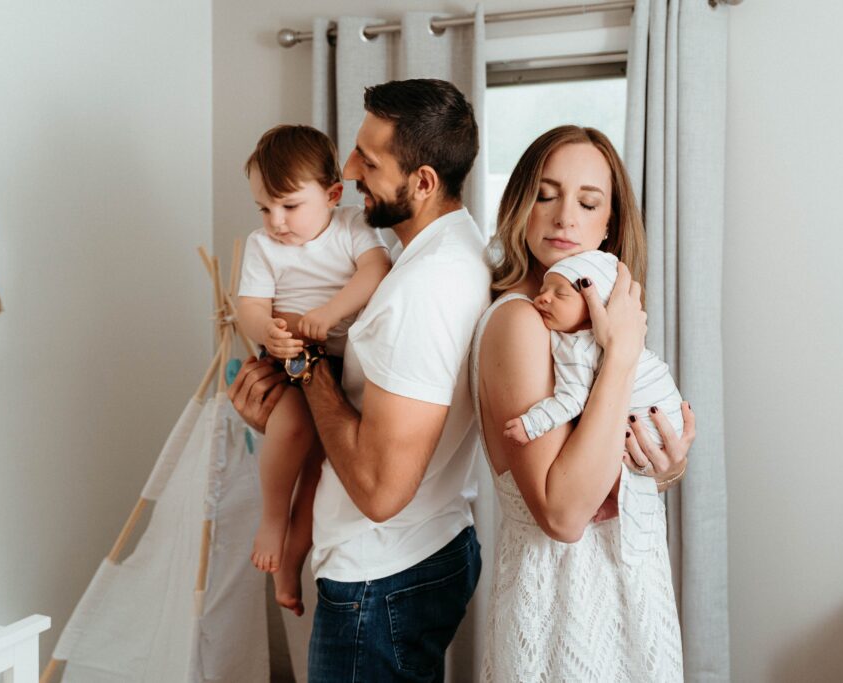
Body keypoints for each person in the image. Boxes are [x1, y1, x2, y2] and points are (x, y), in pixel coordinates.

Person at [230, 78, 492, 682]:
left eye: (367, 160)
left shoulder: (422, 289)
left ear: (422, 182)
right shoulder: (443, 253)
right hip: (420, 547)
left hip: (381, 577)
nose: (346, 171)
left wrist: (302, 364)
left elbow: (378, 491)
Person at [472, 125, 695, 681]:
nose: (565, 217)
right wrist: (621, 355)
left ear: (609, 223)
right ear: (520, 205)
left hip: (631, 593)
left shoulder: (588, 328)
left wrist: (665, 464)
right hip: (561, 607)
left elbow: (615, 460)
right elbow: (564, 513)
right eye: (546, 195)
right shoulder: (520, 321)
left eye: (587, 201)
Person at [235, 124, 391, 617]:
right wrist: (269, 331)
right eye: (264, 207)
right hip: (290, 363)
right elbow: (250, 306)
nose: (276, 221)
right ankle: (272, 520)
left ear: (332, 195)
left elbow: (376, 271)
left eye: (289, 206)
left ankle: (290, 565)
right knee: (293, 428)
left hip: (342, 365)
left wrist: (329, 313)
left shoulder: (351, 226)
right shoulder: (264, 246)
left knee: (323, 477)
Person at [502, 249, 683, 449]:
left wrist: (531, 425)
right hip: (669, 419)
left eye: (560, 293)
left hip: (650, 423)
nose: (543, 298)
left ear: (595, 305)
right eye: (542, 290)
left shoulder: (577, 346)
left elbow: (572, 400)